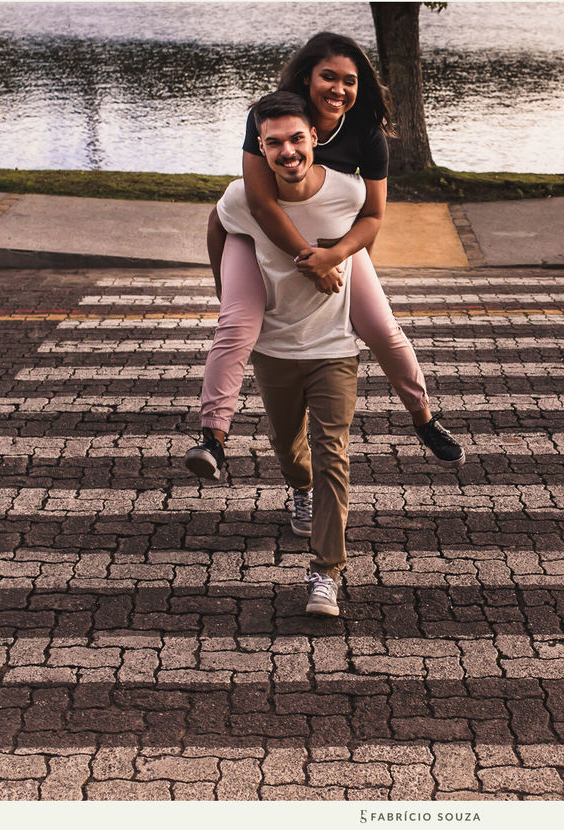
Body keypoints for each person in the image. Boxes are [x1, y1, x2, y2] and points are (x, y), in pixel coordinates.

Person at [184, 32, 464, 485]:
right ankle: (213, 438)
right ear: (307, 77)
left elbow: (372, 215)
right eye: (327, 77)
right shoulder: (273, 116)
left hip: (330, 237)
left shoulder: (367, 134)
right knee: (236, 326)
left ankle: (424, 418)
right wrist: (303, 261)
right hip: (257, 229)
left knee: (382, 329)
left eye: (349, 81)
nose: (338, 89)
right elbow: (258, 205)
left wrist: (337, 258)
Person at [207, 91, 365, 616]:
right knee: (284, 442)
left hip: (334, 347)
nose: (288, 151)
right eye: (274, 143)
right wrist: (225, 291)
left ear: (314, 138)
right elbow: (218, 227)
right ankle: (299, 488)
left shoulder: (348, 190)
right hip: (275, 348)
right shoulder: (241, 198)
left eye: (297, 138)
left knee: (332, 454)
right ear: (260, 146)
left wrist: (349, 292)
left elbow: (368, 241)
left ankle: (326, 574)